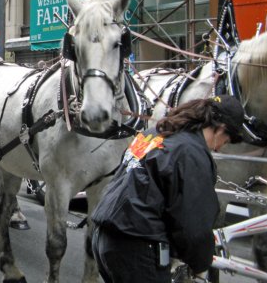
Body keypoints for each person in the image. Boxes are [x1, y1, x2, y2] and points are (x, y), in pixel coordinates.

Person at [91, 95, 245, 283]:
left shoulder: (154, 133)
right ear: (220, 129)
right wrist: (201, 263)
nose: (220, 149)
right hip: (138, 245)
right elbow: (193, 223)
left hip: (105, 237)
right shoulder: (190, 153)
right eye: (226, 141)